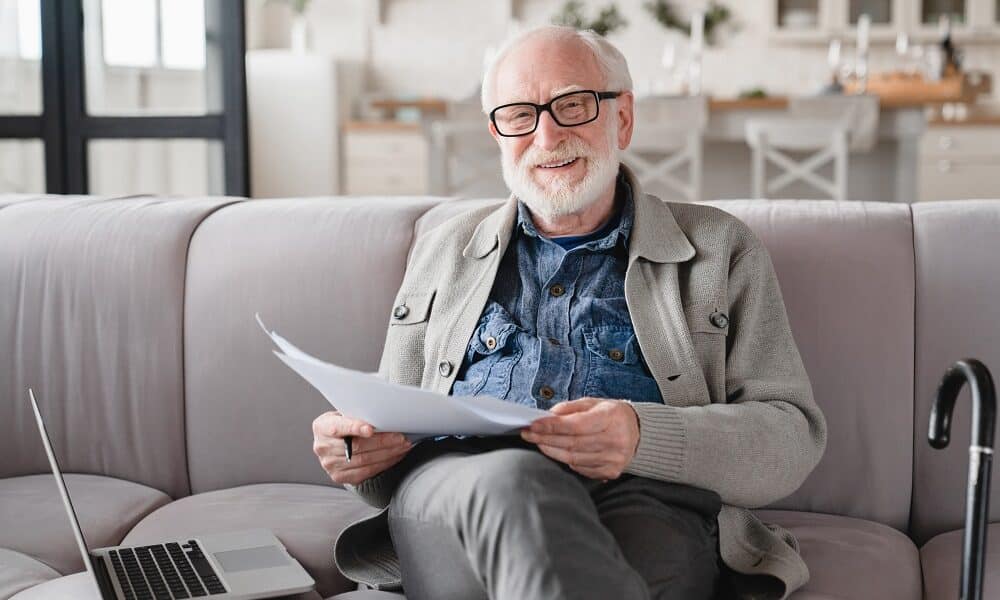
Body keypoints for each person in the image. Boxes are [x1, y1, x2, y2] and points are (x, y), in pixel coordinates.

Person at [312, 25, 827, 600]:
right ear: (497, 134)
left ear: (622, 118)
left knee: (654, 563)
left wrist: (641, 436)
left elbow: (790, 438)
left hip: (644, 496)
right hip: (462, 487)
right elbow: (388, 429)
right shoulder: (443, 251)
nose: (547, 135)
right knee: (514, 483)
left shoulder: (719, 249)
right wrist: (359, 451)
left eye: (573, 105)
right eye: (519, 115)